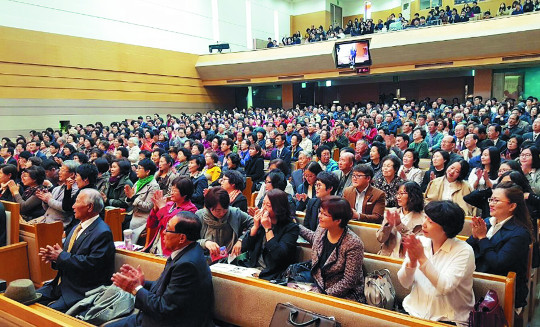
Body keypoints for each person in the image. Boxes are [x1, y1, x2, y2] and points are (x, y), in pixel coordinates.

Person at [110, 212, 214, 327]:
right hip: (152, 317)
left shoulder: (187, 265)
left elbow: (164, 308)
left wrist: (135, 288)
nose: (163, 232)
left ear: (182, 238)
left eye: (168, 229)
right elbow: (169, 289)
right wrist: (142, 284)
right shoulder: (188, 251)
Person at [37, 189, 115, 312]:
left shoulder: (102, 232)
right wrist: (55, 258)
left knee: (45, 314)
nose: (73, 206)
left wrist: (60, 257)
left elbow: (92, 265)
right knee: (23, 298)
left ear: (90, 207)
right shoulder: (77, 227)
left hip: (80, 289)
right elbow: (69, 256)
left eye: (77, 202)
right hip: (61, 284)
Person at [397, 201, 475, 326]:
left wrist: (421, 258)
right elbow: (405, 283)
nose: (424, 224)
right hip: (413, 312)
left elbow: (445, 287)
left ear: (446, 228)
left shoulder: (464, 251)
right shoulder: (420, 241)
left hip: (448, 319)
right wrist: (411, 263)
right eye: (425, 219)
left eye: (430, 222)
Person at [467, 182, 532, 311]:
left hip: (499, 287)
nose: (491, 204)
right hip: (478, 277)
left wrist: (482, 238)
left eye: (496, 200)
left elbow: (498, 263)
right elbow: (466, 251)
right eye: (491, 199)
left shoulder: (520, 233)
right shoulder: (486, 222)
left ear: (512, 206)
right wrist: (474, 237)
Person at [298, 196, 366, 303]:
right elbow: (314, 238)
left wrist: (324, 295)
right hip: (320, 284)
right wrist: (296, 227)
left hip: (344, 294)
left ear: (338, 220)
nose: (319, 216)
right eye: (320, 212)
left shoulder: (353, 244)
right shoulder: (322, 229)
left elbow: (349, 281)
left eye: (324, 214)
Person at [240, 189, 299, 280]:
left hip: (273, 274)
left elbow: (278, 256)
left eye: (268, 205)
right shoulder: (261, 223)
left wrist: (268, 228)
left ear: (279, 208)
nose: (263, 208)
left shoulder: (291, 228)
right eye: (263, 203)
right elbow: (244, 247)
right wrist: (255, 226)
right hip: (252, 268)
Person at [144, 177, 197, 256]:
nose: (171, 193)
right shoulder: (168, 205)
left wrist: (161, 208)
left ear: (185, 193)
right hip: (156, 244)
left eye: (175, 191)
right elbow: (150, 225)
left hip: (171, 250)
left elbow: (171, 227)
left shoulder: (190, 210)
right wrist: (155, 210)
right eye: (171, 190)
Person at [195, 187, 253, 259]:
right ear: (209, 207)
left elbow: (254, 224)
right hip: (205, 259)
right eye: (218, 210)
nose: (222, 213)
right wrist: (205, 243)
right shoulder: (199, 216)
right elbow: (191, 241)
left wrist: (241, 240)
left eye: (225, 209)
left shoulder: (235, 213)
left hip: (230, 259)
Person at [377, 182, 425, 258]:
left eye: (402, 193)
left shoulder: (423, 218)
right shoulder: (392, 212)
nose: (398, 197)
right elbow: (380, 238)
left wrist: (399, 225)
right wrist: (388, 226)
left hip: (407, 258)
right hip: (387, 255)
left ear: (413, 196)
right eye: (397, 193)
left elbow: (416, 243)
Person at [30, 160, 80, 228]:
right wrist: (44, 199)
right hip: (45, 220)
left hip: (59, 225)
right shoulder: (57, 188)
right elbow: (47, 208)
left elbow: (66, 208)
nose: (59, 172)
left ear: (72, 174)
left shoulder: (76, 190)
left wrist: (49, 200)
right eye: (60, 170)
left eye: (63, 170)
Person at [125, 159, 160, 244]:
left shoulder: (154, 186)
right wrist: (129, 198)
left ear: (147, 171)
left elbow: (148, 206)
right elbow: (130, 202)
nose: (136, 170)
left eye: (139, 168)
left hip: (144, 221)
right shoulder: (138, 182)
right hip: (134, 217)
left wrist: (133, 198)